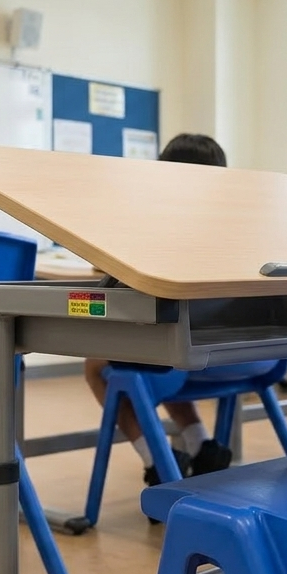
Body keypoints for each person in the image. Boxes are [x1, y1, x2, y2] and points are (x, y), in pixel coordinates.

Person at [83, 133, 235, 487]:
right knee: (169, 349)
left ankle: (157, 461)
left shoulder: (162, 224)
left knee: (98, 364)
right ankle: (201, 445)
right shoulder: (235, 225)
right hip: (239, 356)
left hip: (182, 355)